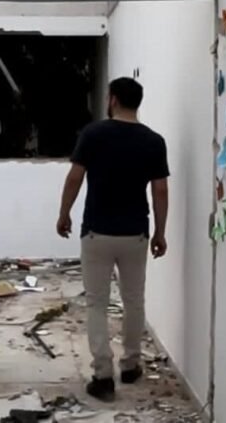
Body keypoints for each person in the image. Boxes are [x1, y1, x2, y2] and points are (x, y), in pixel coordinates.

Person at [56, 77, 169, 402]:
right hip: (135, 234)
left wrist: (64, 213)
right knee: (134, 301)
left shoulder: (93, 134)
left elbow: (75, 177)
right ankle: (131, 365)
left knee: (97, 303)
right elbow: (160, 190)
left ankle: (103, 376)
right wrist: (160, 232)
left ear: (114, 99)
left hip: (97, 232)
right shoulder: (154, 141)